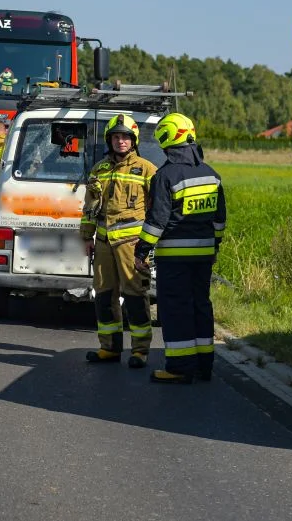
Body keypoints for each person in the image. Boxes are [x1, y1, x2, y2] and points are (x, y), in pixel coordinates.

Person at [134, 113, 226, 384]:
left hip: (174, 258)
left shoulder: (165, 176)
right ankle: (203, 365)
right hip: (204, 256)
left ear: (166, 138)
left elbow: (157, 221)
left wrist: (141, 251)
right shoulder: (212, 175)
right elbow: (219, 220)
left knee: (176, 309)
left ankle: (179, 367)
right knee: (201, 306)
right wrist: (215, 245)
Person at [80, 114, 158, 368]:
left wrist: (151, 243)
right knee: (103, 294)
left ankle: (140, 350)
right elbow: (90, 206)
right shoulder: (99, 169)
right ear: (109, 140)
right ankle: (109, 348)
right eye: (116, 136)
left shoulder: (147, 169)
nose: (120, 141)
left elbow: (158, 208)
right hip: (102, 242)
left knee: (135, 294)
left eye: (125, 137)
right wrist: (86, 236)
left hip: (132, 245)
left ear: (133, 140)